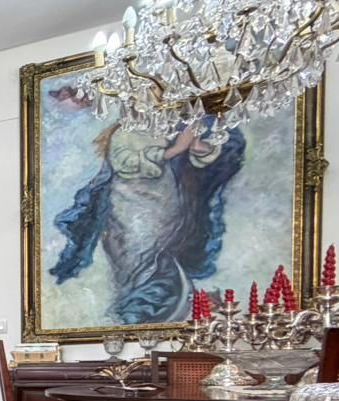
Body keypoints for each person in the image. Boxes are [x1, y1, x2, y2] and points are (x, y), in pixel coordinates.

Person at [51, 121, 244, 324]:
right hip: (129, 206)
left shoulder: (169, 127)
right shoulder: (123, 133)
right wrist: (175, 150)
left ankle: (154, 313)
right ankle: (135, 315)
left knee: (160, 259)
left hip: (165, 207)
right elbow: (125, 163)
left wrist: (199, 149)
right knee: (134, 260)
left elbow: (199, 158)